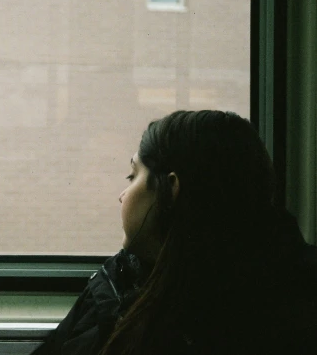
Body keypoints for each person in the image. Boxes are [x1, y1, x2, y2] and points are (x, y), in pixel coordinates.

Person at [31, 110, 317, 355]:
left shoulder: (267, 319)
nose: (122, 195)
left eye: (132, 176)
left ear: (171, 188)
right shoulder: (118, 281)